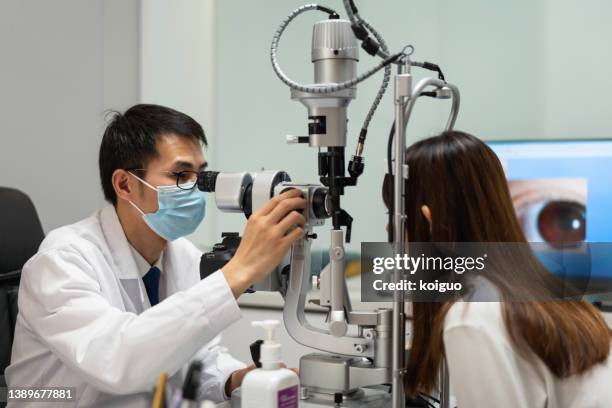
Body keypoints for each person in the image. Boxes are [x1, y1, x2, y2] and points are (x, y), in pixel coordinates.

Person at [6, 104, 306, 407]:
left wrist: (236, 380)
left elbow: (195, 359)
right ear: (125, 184)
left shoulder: (182, 254)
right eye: (180, 174)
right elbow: (118, 362)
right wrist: (240, 269)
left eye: (199, 176)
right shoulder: (62, 261)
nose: (195, 188)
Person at [382, 130, 612, 407]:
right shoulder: (546, 290)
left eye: (395, 217)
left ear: (430, 219)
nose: (391, 232)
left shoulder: (472, 316)